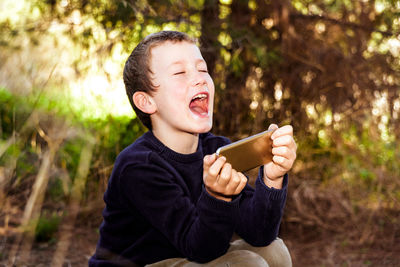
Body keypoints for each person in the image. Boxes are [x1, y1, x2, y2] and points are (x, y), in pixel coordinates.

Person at [89, 30, 297, 267]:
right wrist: (218, 197)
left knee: (274, 251)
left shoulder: (217, 150)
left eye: (203, 69)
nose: (199, 78)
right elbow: (200, 248)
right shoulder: (138, 166)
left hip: (188, 256)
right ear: (146, 101)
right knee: (246, 264)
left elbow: (260, 233)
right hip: (144, 263)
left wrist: (272, 179)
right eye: (179, 72)